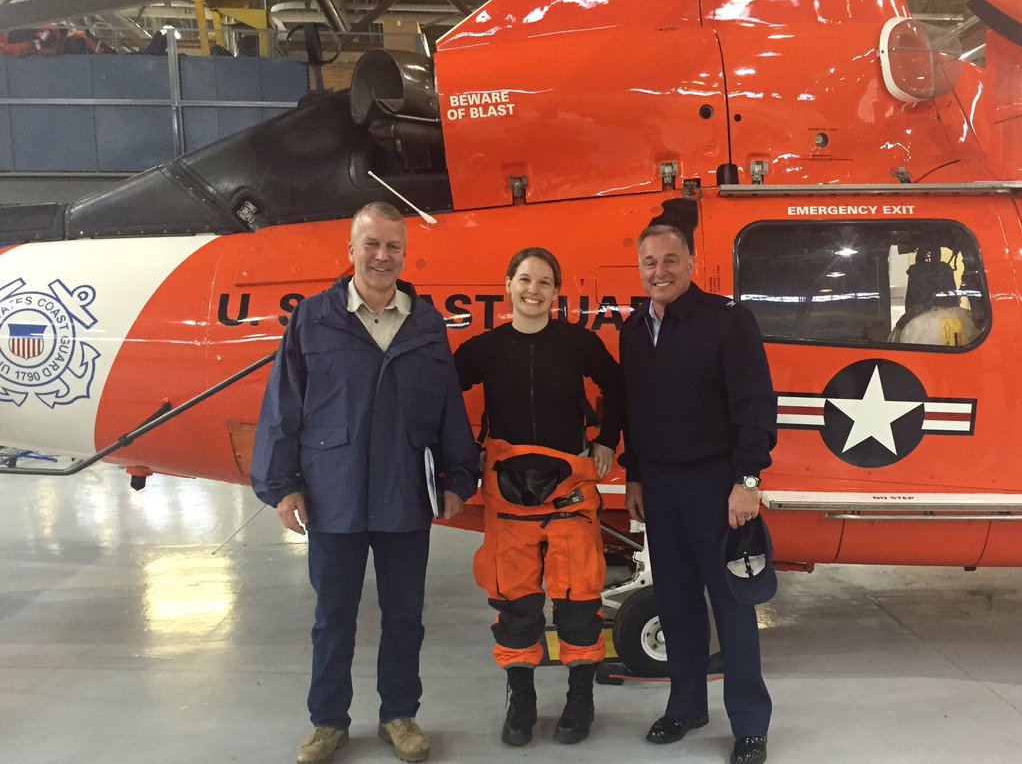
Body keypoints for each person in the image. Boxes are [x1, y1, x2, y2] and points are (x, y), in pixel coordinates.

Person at [251, 201, 480, 764]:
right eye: (371, 244)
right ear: (351, 249)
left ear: (405, 254)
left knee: (405, 615)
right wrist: (281, 484)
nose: (382, 256)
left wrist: (459, 475)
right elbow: (283, 405)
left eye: (393, 246)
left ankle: (399, 715)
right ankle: (327, 722)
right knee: (333, 617)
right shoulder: (313, 318)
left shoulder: (426, 323)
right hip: (334, 492)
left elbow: (448, 405)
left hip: (405, 490)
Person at [454, 247, 625, 747]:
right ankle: (521, 700)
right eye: (525, 280)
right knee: (515, 602)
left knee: (579, 600)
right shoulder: (484, 349)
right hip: (508, 501)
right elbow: (438, 394)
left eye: (545, 282)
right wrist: (463, 452)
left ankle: (579, 698)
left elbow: (619, 386)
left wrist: (607, 440)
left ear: (557, 292)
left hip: (570, 495)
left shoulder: (578, 343)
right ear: (507, 284)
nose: (534, 290)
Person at [620, 224, 777, 764]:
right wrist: (634, 476)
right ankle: (686, 707)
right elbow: (634, 410)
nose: (659, 271)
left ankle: (750, 725)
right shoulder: (634, 331)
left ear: (690, 262)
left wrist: (748, 482)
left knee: (733, 606)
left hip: (718, 487)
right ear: (639, 269)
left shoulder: (728, 322)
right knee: (676, 603)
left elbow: (756, 404)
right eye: (649, 262)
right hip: (660, 488)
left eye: (670, 260)